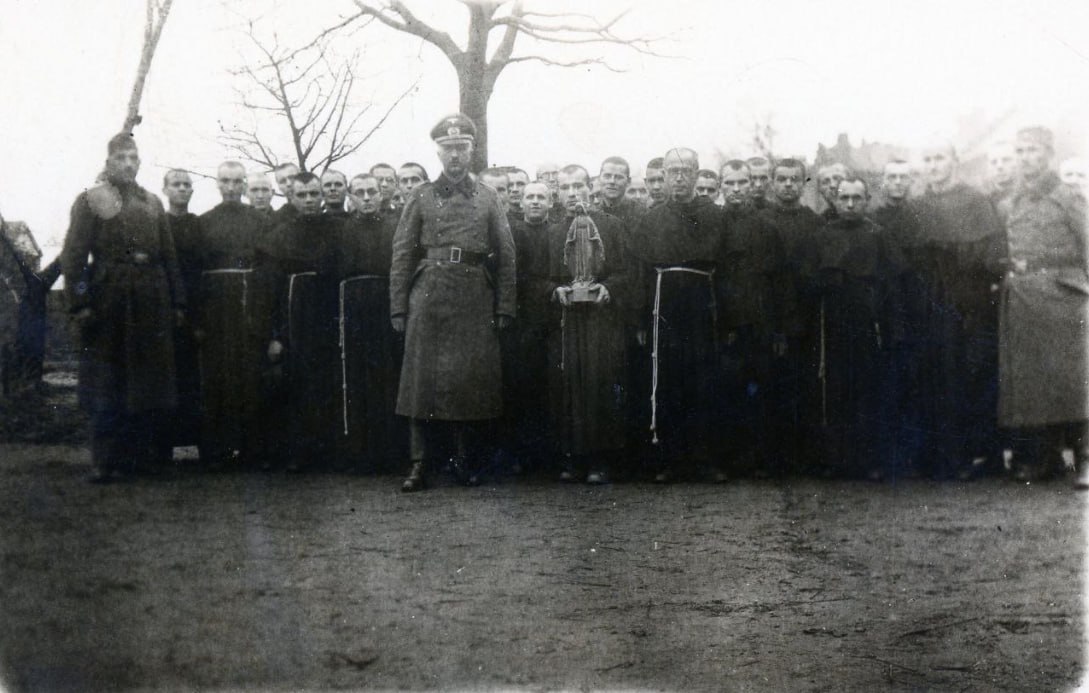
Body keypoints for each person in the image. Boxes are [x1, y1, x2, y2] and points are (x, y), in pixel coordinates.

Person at [391, 114, 516, 491]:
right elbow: (402, 253)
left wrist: (504, 306)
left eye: (462, 148)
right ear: (438, 152)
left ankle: (462, 461)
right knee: (419, 379)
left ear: (472, 150)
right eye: (448, 149)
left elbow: (507, 255)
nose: (455, 156)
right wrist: (398, 306)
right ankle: (419, 464)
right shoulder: (421, 196)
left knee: (467, 382)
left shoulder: (489, 198)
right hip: (428, 294)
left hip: (473, 296)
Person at [61, 133, 186, 483]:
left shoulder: (152, 202)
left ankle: (142, 458)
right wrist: (81, 303)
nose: (128, 163)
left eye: (133, 157)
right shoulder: (92, 199)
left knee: (148, 380)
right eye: (121, 158)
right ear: (109, 161)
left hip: (152, 298)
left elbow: (169, 255)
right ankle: (104, 460)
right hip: (109, 298)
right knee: (107, 379)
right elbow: (74, 257)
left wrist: (177, 301)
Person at [997, 126, 1089, 486]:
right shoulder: (1012, 200)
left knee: (1074, 381)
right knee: (1033, 384)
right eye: (1019, 151)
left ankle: (1085, 459)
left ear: (1048, 154)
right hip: (1024, 299)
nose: (1025, 158)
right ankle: (1045, 458)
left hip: (1064, 298)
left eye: (1032, 151)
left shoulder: (1068, 198)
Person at [913, 140, 1005, 479]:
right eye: (928, 158)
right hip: (932, 304)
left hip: (970, 302)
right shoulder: (918, 205)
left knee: (973, 376)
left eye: (939, 157)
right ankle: (944, 455)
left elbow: (991, 254)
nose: (934, 164)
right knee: (938, 377)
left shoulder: (975, 200)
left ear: (954, 161)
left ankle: (978, 455)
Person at [630, 147, 723, 482]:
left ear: (697, 176)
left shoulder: (714, 215)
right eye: (673, 171)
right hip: (663, 300)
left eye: (687, 171)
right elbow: (640, 271)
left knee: (704, 376)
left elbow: (724, 269)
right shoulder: (651, 218)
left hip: (702, 300)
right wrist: (641, 318)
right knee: (667, 377)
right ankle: (667, 459)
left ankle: (705, 458)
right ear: (664, 176)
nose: (680, 177)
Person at [809, 177, 906, 480]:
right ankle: (838, 460)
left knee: (870, 389)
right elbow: (809, 280)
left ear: (866, 200)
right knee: (836, 389)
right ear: (834, 201)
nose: (850, 204)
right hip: (833, 321)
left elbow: (895, 283)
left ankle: (872, 461)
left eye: (856, 198)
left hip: (870, 320)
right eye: (844, 198)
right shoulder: (822, 235)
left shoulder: (878, 235)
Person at [542, 165, 633, 484]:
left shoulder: (612, 225)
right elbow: (539, 278)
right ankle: (571, 457)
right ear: (558, 193)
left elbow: (626, 272)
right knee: (566, 384)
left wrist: (610, 288)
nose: (572, 194)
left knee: (599, 381)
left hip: (600, 319)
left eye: (578, 186)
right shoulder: (552, 231)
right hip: (566, 321)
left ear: (589, 187)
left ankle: (600, 459)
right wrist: (556, 291)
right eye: (565, 188)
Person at [255, 172, 345, 471]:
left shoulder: (337, 230)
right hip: (294, 313)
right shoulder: (279, 236)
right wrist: (276, 333)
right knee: (296, 380)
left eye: (313, 194)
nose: (308, 200)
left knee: (328, 379)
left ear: (321, 196)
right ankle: (297, 451)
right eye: (302, 195)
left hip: (328, 311)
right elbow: (271, 290)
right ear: (291, 197)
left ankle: (329, 450)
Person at [715, 161, 786, 478]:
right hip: (724, 320)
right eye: (730, 183)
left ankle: (761, 459)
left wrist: (779, 327)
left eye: (742, 183)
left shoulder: (767, 226)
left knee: (762, 388)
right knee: (726, 389)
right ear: (721, 187)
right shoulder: (713, 225)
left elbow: (780, 279)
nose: (737, 189)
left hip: (760, 319)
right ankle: (729, 458)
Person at [199, 161, 270, 469]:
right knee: (217, 377)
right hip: (215, 309)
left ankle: (253, 448)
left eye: (237, 181)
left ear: (244, 186)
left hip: (248, 302)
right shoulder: (204, 222)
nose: (230, 187)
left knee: (250, 375)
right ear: (217, 183)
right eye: (225, 181)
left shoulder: (260, 221)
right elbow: (196, 274)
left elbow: (267, 269)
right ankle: (218, 449)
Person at [759, 158, 824, 475]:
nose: (787, 185)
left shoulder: (813, 222)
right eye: (781, 179)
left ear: (803, 183)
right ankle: (770, 458)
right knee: (770, 385)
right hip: (767, 313)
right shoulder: (761, 219)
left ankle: (804, 457)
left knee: (804, 384)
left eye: (794, 179)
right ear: (772, 181)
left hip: (805, 314)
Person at [338, 173, 405, 472]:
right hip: (352, 307)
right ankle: (359, 452)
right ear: (350, 197)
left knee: (387, 375)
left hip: (385, 302)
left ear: (382, 194)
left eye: (372, 192)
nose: (366, 198)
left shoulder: (395, 227)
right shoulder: (343, 230)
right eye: (360, 192)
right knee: (355, 376)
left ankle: (390, 451)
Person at [872, 159, 929, 478]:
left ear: (911, 181)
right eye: (891, 177)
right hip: (883, 307)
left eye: (902, 177)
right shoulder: (874, 219)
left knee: (915, 380)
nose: (896, 182)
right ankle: (886, 458)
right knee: (885, 383)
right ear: (883, 181)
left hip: (916, 305)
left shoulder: (920, 217)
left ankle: (915, 457)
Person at [501, 182, 554, 474]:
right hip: (519, 319)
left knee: (549, 386)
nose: (535, 202)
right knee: (519, 386)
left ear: (550, 202)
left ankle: (548, 455)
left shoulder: (558, 232)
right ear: (519, 202)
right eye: (529, 197)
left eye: (540, 197)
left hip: (549, 316)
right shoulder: (510, 232)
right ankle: (520, 455)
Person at [162, 170, 203, 454]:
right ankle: (161, 446)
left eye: (187, 185)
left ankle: (196, 443)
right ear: (165, 190)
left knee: (193, 376)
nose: (182, 189)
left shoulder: (199, 226)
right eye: (176, 185)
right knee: (165, 376)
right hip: (163, 308)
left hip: (195, 306)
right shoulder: (156, 224)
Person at [598, 156, 645, 229]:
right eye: (607, 176)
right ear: (599, 179)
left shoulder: (642, 214)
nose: (612, 181)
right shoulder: (592, 214)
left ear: (628, 182)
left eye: (619, 177)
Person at [985, 141, 1018, 214]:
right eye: (994, 162)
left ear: (1017, 162)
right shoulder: (983, 203)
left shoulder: (1027, 196)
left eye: (1006, 160)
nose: (999, 166)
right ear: (988, 167)